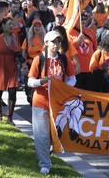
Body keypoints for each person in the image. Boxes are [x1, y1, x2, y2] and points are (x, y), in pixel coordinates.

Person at [28, 31, 76, 175]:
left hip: (58, 103)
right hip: (40, 102)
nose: (56, 45)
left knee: (53, 134)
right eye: (53, 42)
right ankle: (45, 164)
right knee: (41, 135)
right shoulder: (39, 59)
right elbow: (30, 81)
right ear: (46, 43)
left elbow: (72, 78)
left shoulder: (64, 59)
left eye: (58, 42)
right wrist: (40, 82)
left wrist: (65, 88)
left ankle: (46, 152)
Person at [0, 18, 22, 125]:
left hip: (12, 67)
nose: (11, 26)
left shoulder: (15, 38)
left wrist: (19, 57)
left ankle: (9, 117)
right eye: (9, 24)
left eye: (12, 24)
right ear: (3, 26)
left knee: (13, 92)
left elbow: (17, 51)